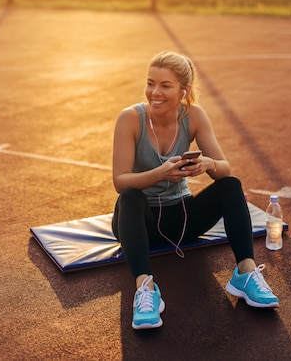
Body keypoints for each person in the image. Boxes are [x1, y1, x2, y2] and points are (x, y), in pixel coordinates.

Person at [111, 51, 279, 330]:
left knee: (230, 185)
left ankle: (245, 274)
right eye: (151, 83)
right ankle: (146, 289)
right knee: (129, 197)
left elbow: (225, 169)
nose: (155, 92)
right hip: (141, 223)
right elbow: (120, 182)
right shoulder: (130, 118)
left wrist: (208, 164)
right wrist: (162, 172)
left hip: (184, 219)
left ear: (183, 90)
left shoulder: (194, 115)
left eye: (165, 85)